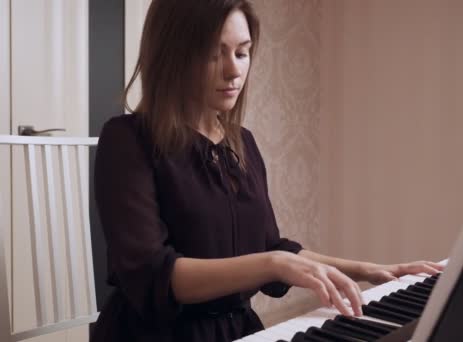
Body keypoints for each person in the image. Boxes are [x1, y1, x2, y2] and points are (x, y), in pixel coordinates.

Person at [91, 1, 444, 341]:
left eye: (242, 53)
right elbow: (155, 274)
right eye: (214, 54)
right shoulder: (126, 140)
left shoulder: (241, 142)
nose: (234, 71)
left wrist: (367, 269)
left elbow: (271, 246)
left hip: (237, 329)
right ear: (173, 55)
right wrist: (273, 263)